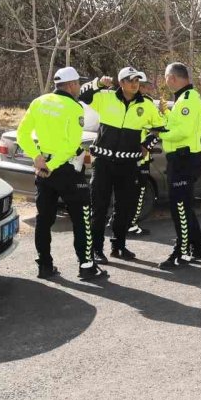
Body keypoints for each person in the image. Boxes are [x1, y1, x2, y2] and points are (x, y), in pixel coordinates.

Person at [16, 67, 107, 280]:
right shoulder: (74, 108)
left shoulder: (38, 102)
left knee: (44, 219)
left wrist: (38, 158)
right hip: (66, 169)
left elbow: (22, 134)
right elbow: (71, 144)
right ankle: (86, 266)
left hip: (43, 169)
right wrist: (52, 165)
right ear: (72, 85)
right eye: (77, 83)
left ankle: (45, 266)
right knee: (81, 218)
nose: (78, 87)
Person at [79, 67, 164, 263]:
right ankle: (96, 250)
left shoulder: (147, 105)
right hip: (103, 163)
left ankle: (119, 246)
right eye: (129, 80)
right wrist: (98, 83)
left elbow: (159, 128)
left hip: (128, 165)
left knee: (124, 208)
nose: (134, 84)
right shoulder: (106, 97)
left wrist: (146, 145)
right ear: (121, 82)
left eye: (136, 80)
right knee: (99, 207)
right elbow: (83, 95)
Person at [158, 62, 201, 270]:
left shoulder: (189, 99)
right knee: (184, 206)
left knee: (179, 208)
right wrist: (165, 115)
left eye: (166, 77)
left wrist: (157, 132)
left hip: (184, 160)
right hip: (180, 159)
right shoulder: (182, 99)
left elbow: (183, 132)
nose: (165, 81)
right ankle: (199, 247)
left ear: (173, 78)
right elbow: (176, 125)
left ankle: (181, 251)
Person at [126, 73, 162, 237]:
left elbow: (157, 130)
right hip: (135, 158)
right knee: (135, 192)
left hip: (137, 156)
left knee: (135, 192)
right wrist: (146, 146)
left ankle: (126, 222)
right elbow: (159, 129)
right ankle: (129, 223)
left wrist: (148, 145)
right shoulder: (144, 103)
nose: (148, 88)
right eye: (145, 85)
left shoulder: (142, 103)